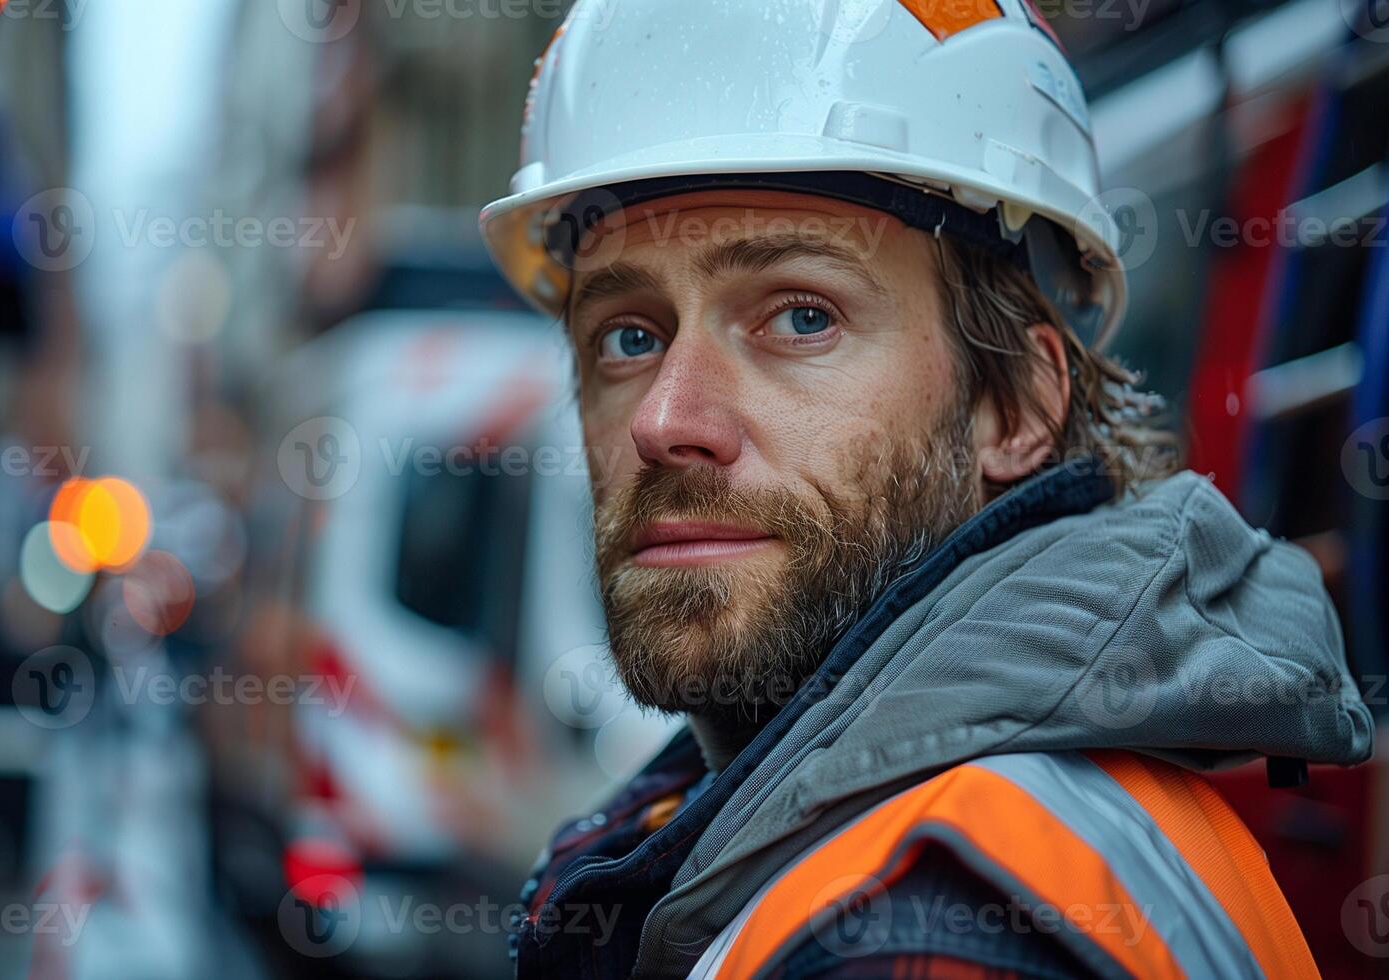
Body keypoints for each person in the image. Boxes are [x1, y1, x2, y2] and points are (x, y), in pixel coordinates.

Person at [479, 1, 1374, 975]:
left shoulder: (928, 927)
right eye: (629, 337)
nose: (663, 418)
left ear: (1017, 404)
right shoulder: (870, 834)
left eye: (801, 316)